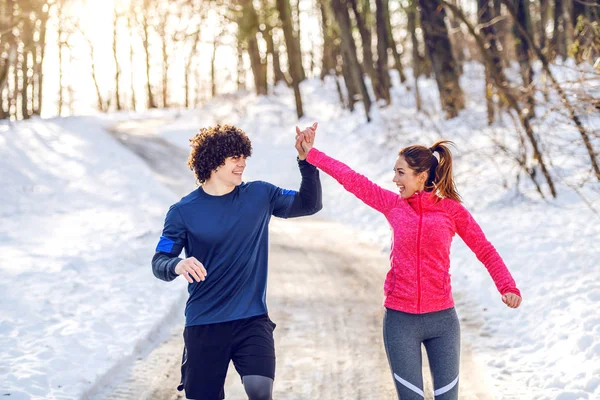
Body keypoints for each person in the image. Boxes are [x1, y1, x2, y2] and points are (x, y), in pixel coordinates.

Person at [296, 125, 522, 400]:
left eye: (400, 172)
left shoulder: (451, 211)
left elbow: (484, 249)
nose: (394, 179)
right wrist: (312, 154)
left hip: (442, 322)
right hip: (400, 321)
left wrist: (507, 286)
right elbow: (352, 179)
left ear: (422, 176)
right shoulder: (393, 206)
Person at [152, 124, 322, 400]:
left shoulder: (260, 195)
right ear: (212, 161)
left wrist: (306, 160)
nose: (242, 163)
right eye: (234, 157)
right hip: (204, 323)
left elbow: (309, 204)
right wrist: (177, 265)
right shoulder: (182, 212)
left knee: (260, 391)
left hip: (251, 320)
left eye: (244, 156)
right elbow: (160, 260)